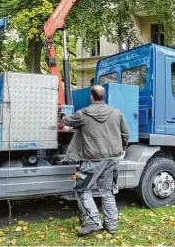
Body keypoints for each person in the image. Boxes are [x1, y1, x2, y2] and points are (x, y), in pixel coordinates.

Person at [60, 85, 129, 236]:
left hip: (92, 160)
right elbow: (125, 135)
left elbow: (68, 121)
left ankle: (93, 223)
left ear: (92, 97)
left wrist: (62, 116)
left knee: (82, 189)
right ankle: (111, 225)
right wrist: (121, 148)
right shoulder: (116, 113)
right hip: (112, 159)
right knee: (107, 191)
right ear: (104, 97)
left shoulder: (84, 113)